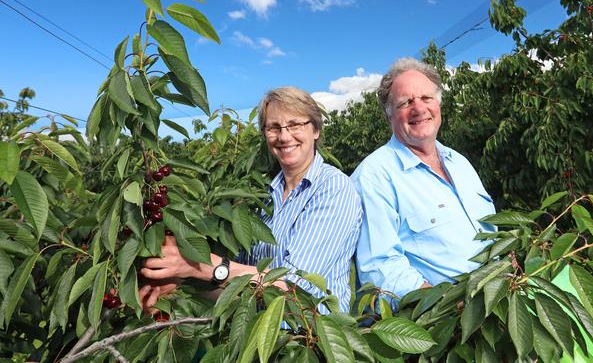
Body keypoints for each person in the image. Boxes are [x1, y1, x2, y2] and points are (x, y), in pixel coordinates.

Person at [139, 86, 362, 314]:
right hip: (253, 338)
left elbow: (294, 287)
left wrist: (197, 265)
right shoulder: (262, 195)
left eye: (295, 124)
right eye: (273, 127)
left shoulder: (334, 188)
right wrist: (183, 281)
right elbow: (240, 286)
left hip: (306, 341)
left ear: (315, 130)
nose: (284, 136)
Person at [352, 58, 496, 297]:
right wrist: (449, 308)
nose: (419, 108)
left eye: (426, 98)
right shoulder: (374, 176)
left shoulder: (459, 163)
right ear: (389, 115)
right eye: (405, 102)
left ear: (438, 104)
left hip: (501, 303)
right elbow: (380, 271)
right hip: (443, 323)